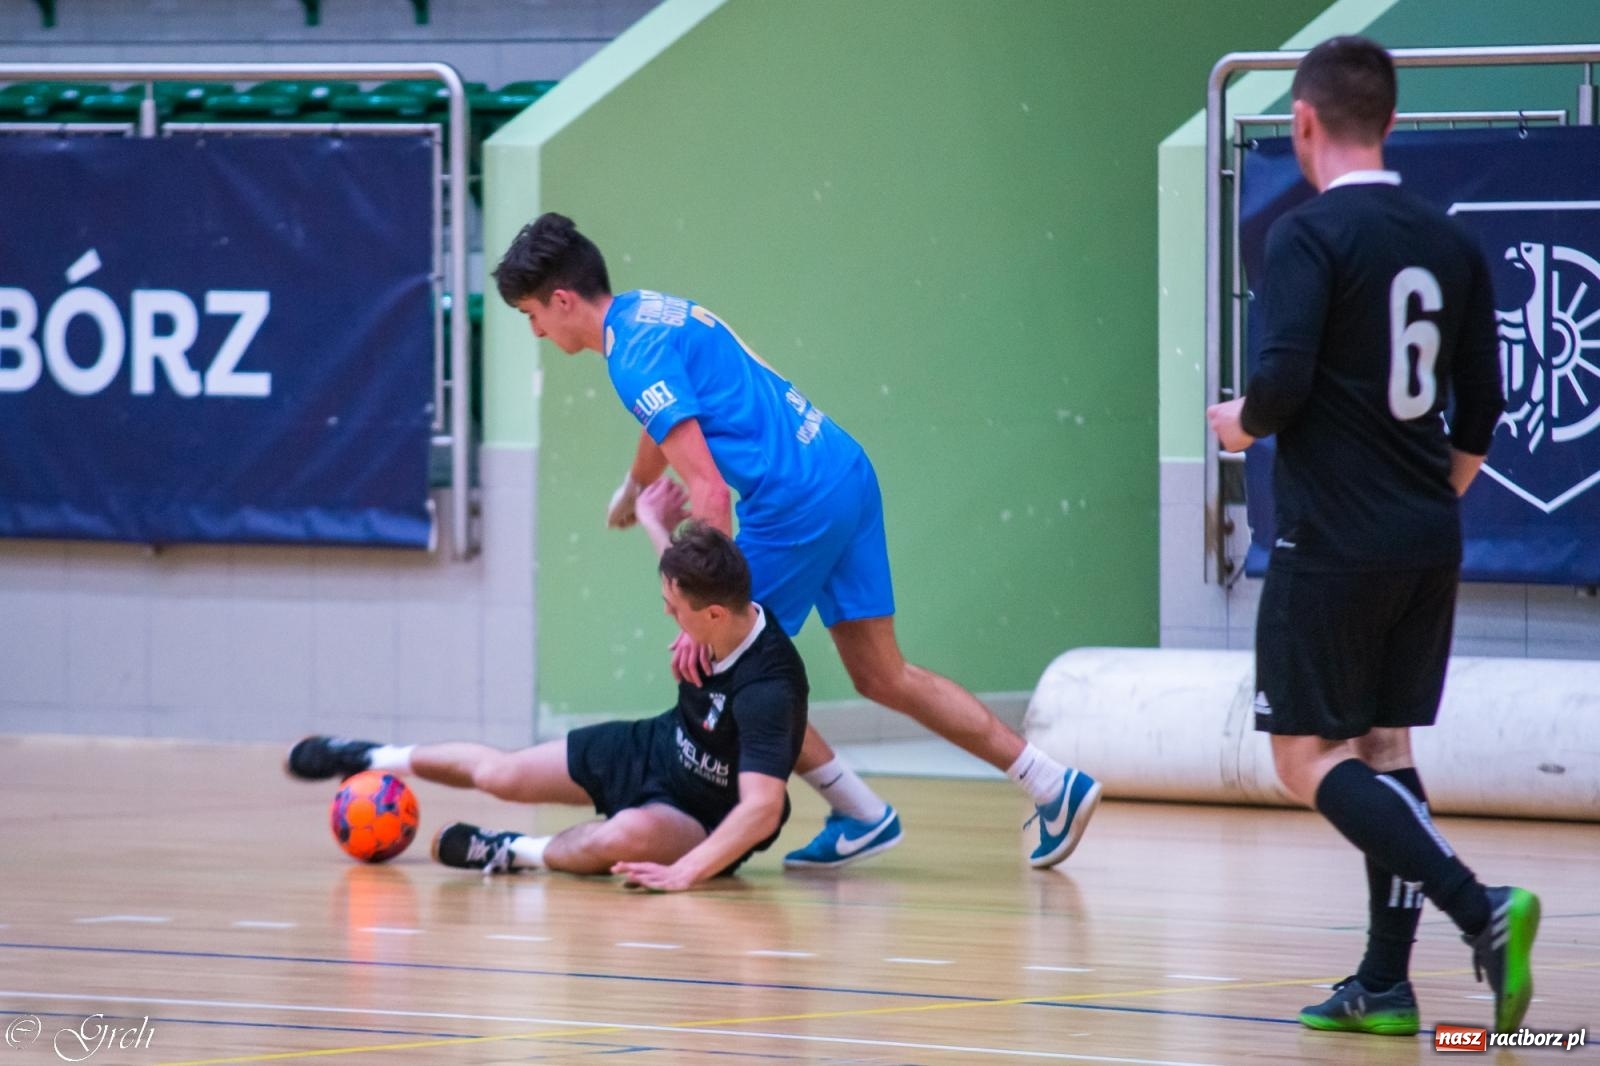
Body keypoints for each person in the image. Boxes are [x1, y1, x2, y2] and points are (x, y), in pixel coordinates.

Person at [490, 212, 1101, 871]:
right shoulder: (647, 313)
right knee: (882, 674)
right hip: (841, 468)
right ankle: (1048, 782)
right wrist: (632, 488)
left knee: (732, 669)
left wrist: (705, 619)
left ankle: (864, 812)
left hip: (792, 507)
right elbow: (664, 424)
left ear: (561, 300)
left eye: (531, 314)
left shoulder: (631, 360)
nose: (535, 331)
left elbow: (711, 493)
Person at [1206, 36, 1536, 1035]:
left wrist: (1237, 424)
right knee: (1382, 744)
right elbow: (1481, 408)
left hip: (1330, 541)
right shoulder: (1448, 240)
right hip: (1425, 536)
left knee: (1303, 754)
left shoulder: (1305, 236)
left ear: (1302, 123)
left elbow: (1282, 383)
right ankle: (1385, 983)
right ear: (1389, 122)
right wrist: (1421, 494)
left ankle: (1479, 907)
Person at [286, 515, 808, 892]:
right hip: (651, 748)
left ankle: (513, 851)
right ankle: (371, 757)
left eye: (674, 611)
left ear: (715, 613)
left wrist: (686, 871)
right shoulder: (718, 618)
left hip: (702, 815)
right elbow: (689, 580)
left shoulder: (769, 688)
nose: (669, 617)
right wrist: (653, 519)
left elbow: (762, 810)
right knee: (503, 775)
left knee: (620, 836)